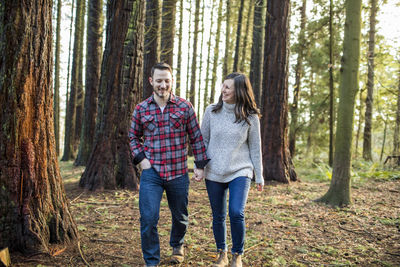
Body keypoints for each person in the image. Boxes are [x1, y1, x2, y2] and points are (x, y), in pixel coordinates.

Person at [129, 62, 208, 267]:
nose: (162, 85)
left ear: (172, 81)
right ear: (151, 81)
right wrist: (141, 160)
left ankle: (177, 246)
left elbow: (196, 137)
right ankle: (152, 261)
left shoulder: (184, 106)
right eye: (158, 81)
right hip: (152, 173)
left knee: (180, 216)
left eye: (166, 81)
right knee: (148, 218)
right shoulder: (141, 108)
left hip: (178, 173)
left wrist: (199, 165)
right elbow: (133, 137)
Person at [196, 72, 264, 267]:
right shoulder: (211, 111)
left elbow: (255, 148)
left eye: (227, 87)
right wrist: (199, 166)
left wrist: (258, 175)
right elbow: (203, 140)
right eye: (223, 86)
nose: (223, 90)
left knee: (236, 212)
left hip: (240, 170)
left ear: (239, 90)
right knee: (218, 215)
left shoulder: (250, 117)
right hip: (214, 170)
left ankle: (237, 254)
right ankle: (222, 253)